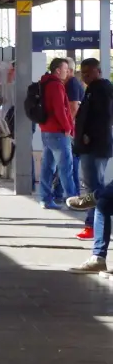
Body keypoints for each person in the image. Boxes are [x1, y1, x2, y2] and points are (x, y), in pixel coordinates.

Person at [68, 57, 113, 272]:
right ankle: (98, 256)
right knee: (102, 200)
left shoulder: (101, 90)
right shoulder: (93, 89)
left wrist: (88, 137)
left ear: (98, 71)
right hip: (92, 147)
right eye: (82, 72)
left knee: (100, 195)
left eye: (89, 72)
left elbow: (102, 119)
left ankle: (90, 201)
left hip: (95, 147)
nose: (85, 76)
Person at [36, 57, 77, 210]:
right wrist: (68, 127)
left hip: (46, 131)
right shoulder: (56, 86)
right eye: (66, 70)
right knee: (66, 167)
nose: (67, 72)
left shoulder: (45, 83)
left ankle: (45, 199)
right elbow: (60, 109)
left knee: (47, 167)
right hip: (58, 132)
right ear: (58, 70)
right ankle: (73, 201)